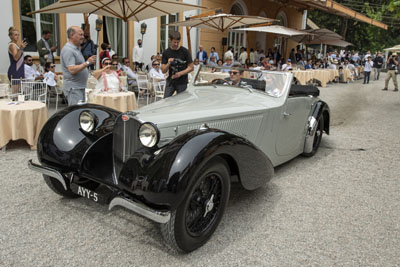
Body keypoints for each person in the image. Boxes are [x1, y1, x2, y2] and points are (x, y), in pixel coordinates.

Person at [61, 26, 96, 105]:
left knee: (80, 112)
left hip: (79, 87)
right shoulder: (68, 50)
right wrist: (87, 63)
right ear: (72, 35)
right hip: (74, 88)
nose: (83, 37)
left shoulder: (76, 48)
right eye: (80, 35)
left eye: (83, 35)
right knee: (75, 114)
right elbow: (72, 70)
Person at [161, 31, 193, 98]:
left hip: (182, 82)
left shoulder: (185, 51)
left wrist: (180, 73)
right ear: (170, 40)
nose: (176, 44)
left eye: (177, 42)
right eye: (174, 42)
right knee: (165, 100)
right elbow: (163, 70)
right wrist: (168, 63)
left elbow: (191, 67)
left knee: (181, 102)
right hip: (170, 81)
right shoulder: (166, 52)